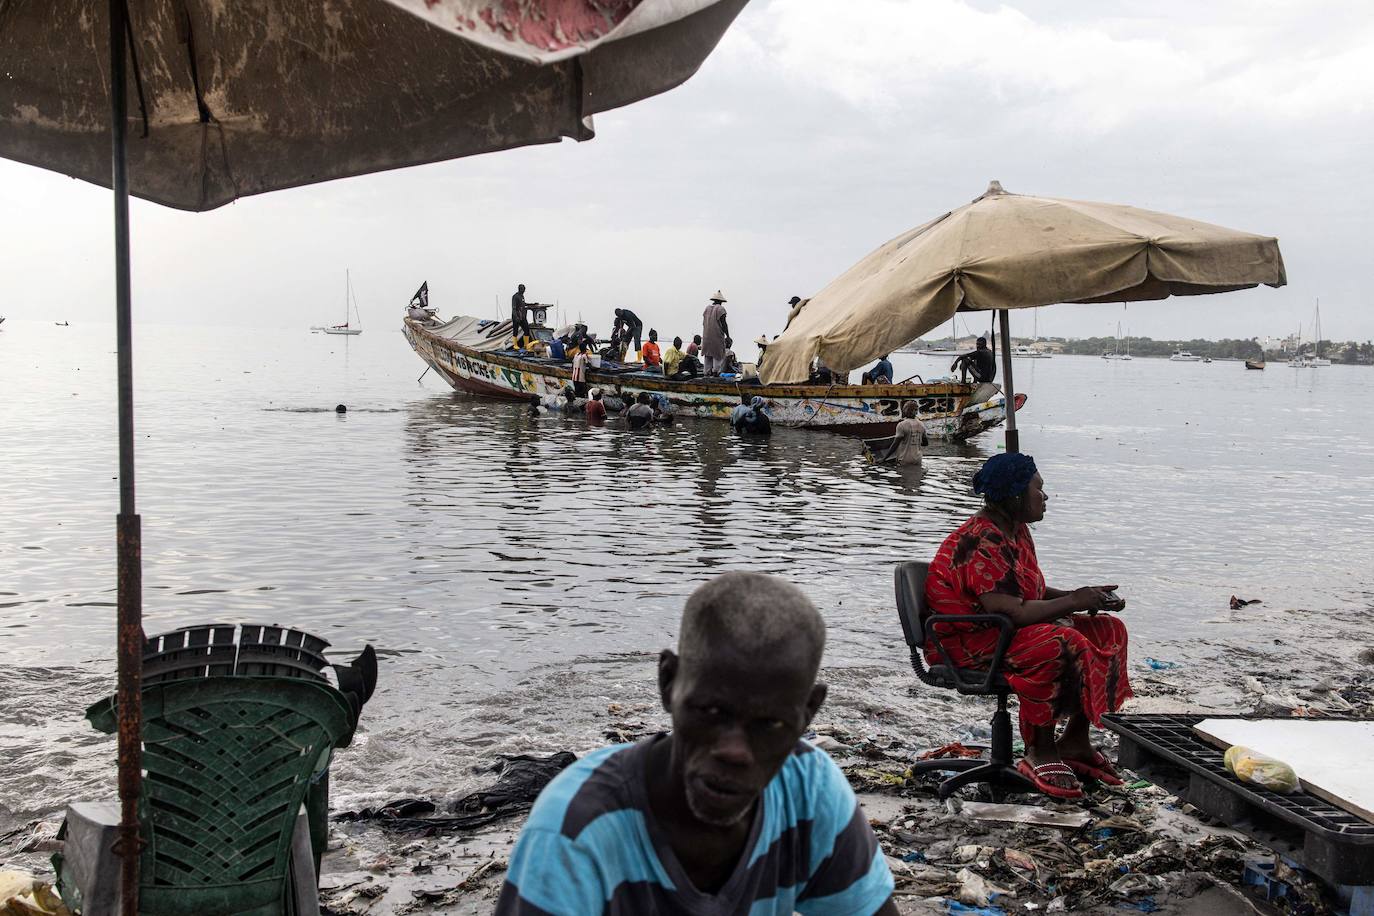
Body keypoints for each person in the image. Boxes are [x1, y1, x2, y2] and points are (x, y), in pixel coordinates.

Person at [495, 573, 898, 916]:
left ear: (808, 713)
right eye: (710, 712)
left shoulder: (809, 793)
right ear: (668, 683)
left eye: (770, 724)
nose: (734, 751)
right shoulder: (576, 829)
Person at [925, 453, 1131, 799]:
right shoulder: (981, 540)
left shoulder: (1015, 531)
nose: (1045, 497)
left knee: (1109, 631)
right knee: (1059, 641)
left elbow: (1026, 589)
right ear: (1016, 494)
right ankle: (1040, 749)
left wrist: (1086, 597)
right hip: (972, 641)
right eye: (1039, 489)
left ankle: (1075, 740)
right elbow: (1010, 611)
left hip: (1002, 632)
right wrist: (1074, 601)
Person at [701, 292, 730, 375]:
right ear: (721, 301)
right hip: (716, 338)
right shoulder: (720, 309)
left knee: (708, 358)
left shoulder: (707, 309)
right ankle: (715, 374)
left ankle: (707, 374)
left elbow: (704, 323)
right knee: (718, 357)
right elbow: (724, 324)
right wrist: (728, 336)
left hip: (706, 338)